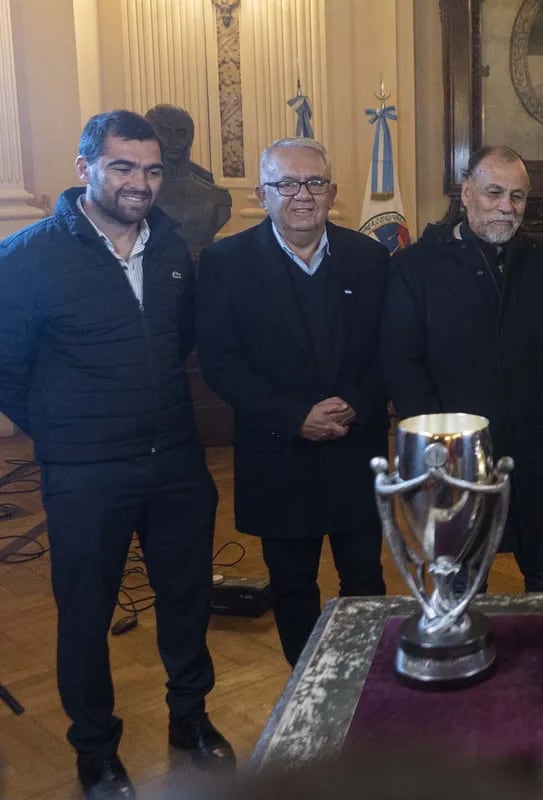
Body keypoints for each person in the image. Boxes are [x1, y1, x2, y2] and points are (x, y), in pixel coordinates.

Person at [0, 110, 233, 799]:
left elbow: (178, 344)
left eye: (152, 169)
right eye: (123, 166)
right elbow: (7, 368)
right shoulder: (28, 257)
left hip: (176, 465)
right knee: (85, 614)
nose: (140, 183)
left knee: (187, 601)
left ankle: (189, 720)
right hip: (84, 474)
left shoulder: (170, 248)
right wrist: (64, 431)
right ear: (86, 169)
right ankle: (95, 752)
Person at [196, 138, 388, 666]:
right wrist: (294, 417)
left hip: (355, 449)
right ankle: (304, 693)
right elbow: (221, 362)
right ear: (263, 193)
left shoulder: (370, 258)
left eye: (314, 183)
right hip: (278, 456)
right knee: (292, 583)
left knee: (366, 578)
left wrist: (353, 403)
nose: (301, 195)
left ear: (333, 192)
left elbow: (390, 350)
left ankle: (364, 681)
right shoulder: (224, 263)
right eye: (287, 184)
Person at [381, 145, 543, 592]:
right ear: (466, 191)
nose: (506, 207)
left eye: (517, 197)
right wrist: (439, 448)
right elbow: (404, 365)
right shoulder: (416, 267)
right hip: (455, 465)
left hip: (539, 459)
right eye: (494, 192)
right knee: (460, 587)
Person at [143, 104, 232, 260]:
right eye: (164, 132)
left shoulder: (216, 197)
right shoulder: (135, 192)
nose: (174, 141)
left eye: (181, 133)